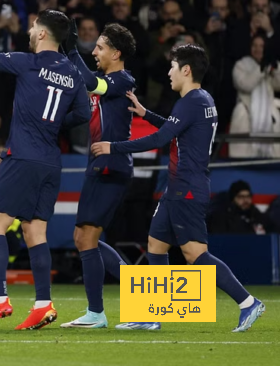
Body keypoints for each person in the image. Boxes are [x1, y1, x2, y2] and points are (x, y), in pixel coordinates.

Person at [91, 44, 265, 333]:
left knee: (195, 255)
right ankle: (151, 314)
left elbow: (161, 139)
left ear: (186, 70)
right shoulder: (201, 99)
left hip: (187, 187)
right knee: (156, 245)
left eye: (172, 66)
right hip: (179, 187)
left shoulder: (190, 102)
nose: (169, 72)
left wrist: (113, 147)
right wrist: (146, 113)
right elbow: (176, 128)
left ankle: (247, 302)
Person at [0, 3, 91, 330]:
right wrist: (56, 122)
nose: (29, 32)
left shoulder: (27, 63)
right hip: (50, 161)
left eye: (33, 27)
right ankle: (43, 304)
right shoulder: (73, 74)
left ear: (43, 33)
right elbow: (85, 114)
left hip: (22, 157)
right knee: (35, 232)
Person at [60, 21, 138, 329]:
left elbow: (92, 84)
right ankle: (133, 294)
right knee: (82, 238)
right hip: (97, 165)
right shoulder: (107, 78)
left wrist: (72, 52)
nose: (94, 51)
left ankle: (96, 313)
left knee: (87, 237)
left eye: (101, 47)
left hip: (112, 165)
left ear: (116, 53)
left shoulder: (122, 79)